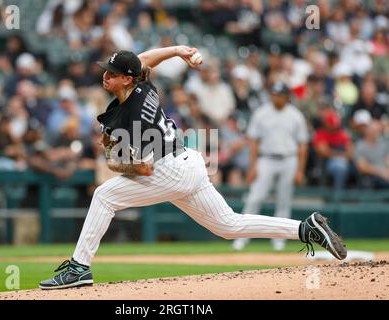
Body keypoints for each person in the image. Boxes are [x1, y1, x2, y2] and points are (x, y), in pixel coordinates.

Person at [39, 47, 347, 290]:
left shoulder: (131, 117)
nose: (106, 76)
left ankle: (79, 268)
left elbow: (143, 169)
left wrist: (110, 157)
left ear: (127, 79)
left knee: (105, 195)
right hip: (187, 163)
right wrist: (176, 49)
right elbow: (142, 60)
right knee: (229, 225)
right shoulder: (142, 87)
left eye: (113, 73)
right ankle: (305, 229)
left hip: (168, 169)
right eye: (106, 70)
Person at [232, 82, 309, 251]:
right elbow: (253, 141)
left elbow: (303, 144)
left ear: (287, 96)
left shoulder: (295, 115)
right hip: (266, 158)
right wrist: (252, 167)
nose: (276, 97)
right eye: (274, 94)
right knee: (255, 198)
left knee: (283, 201)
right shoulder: (262, 113)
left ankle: (279, 239)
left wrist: (300, 170)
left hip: (289, 158)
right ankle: (241, 238)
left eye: (280, 94)